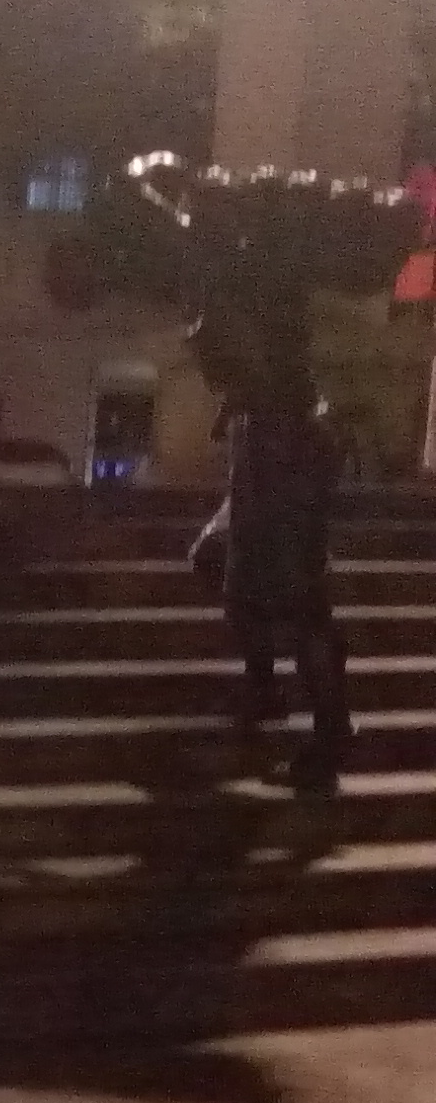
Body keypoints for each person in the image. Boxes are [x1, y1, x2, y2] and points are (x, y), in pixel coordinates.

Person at [190, 300, 350, 798]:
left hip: (284, 461)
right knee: (232, 575)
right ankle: (266, 689)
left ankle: (328, 731)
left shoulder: (277, 367)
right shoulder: (261, 383)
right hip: (272, 456)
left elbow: (267, 377)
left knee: (302, 607)